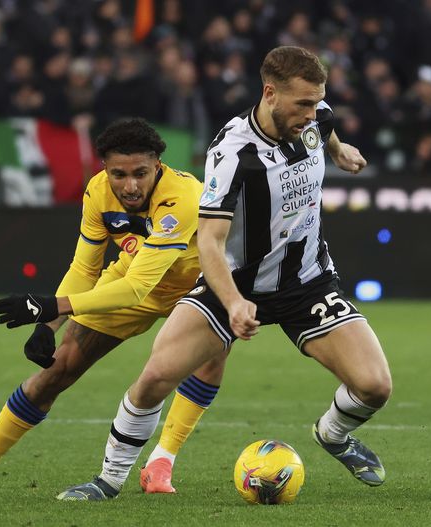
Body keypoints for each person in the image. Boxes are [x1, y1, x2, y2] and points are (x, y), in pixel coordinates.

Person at [56, 46, 392, 502]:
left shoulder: (314, 115)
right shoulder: (233, 154)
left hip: (306, 281)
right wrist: (233, 302)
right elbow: (210, 243)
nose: (313, 113)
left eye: (317, 102)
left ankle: (332, 435)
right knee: (156, 376)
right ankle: (108, 479)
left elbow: (325, 124)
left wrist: (339, 149)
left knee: (374, 386)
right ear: (270, 94)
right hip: (233, 285)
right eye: (304, 104)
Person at [0, 118, 224, 492]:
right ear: (104, 169)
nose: (130, 186)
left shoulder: (183, 196)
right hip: (130, 279)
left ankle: (161, 462)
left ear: (158, 165)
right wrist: (48, 325)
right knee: (57, 369)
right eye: (118, 174)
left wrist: (49, 305)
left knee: (206, 360)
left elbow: (136, 288)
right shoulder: (97, 192)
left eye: (140, 173)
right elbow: (84, 268)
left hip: (200, 286)